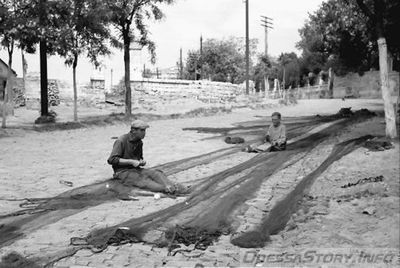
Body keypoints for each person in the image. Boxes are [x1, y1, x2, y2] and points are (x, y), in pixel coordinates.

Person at [107, 120, 188, 194]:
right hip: (122, 173)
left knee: (156, 173)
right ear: (133, 130)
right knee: (146, 182)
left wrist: (141, 161)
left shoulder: (139, 142)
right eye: (142, 130)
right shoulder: (121, 140)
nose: (144, 133)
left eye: (145, 130)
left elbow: (139, 158)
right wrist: (132, 161)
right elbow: (112, 160)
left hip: (135, 170)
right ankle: (167, 189)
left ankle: (171, 186)